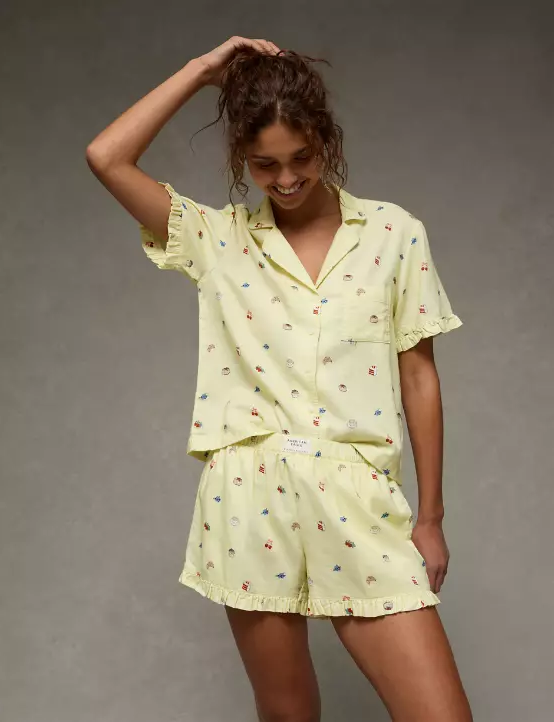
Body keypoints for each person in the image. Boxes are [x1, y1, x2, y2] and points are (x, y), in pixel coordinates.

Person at [86, 36, 472, 722]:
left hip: (358, 497)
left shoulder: (394, 234)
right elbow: (106, 157)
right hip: (249, 492)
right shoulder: (217, 239)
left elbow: (419, 379)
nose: (287, 179)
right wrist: (200, 71)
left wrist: (431, 517)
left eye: (302, 157)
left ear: (327, 141)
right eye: (264, 164)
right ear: (241, 157)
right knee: (288, 714)